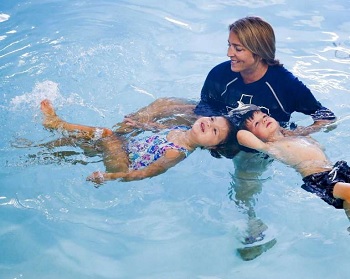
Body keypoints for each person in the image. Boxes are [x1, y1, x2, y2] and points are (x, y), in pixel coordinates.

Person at [114, 16, 337, 260]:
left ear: (259, 51)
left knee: (244, 181)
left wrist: (292, 134)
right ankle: (116, 135)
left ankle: (253, 224)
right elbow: (206, 107)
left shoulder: (285, 84)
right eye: (229, 45)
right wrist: (165, 123)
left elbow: (325, 116)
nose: (229, 53)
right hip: (219, 123)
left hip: (254, 143)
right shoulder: (221, 74)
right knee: (163, 104)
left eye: (237, 48)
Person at [40, 99, 237, 184]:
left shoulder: (176, 153)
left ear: (212, 146)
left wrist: (110, 177)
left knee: (107, 134)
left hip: (123, 164)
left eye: (214, 131)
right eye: (211, 120)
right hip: (125, 148)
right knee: (83, 145)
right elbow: (160, 130)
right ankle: (39, 153)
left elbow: (146, 173)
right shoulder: (183, 130)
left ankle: (55, 123)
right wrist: (141, 124)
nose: (208, 124)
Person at [236, 108, 350, 218]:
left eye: (264, 116)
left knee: (347, 200)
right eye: (257, 124)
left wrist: (298, 133)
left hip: (335, 170)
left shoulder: (295, 136)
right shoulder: (271, 148)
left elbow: (321, 147)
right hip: (319, 179)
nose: (264, 120)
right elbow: (241, 135)